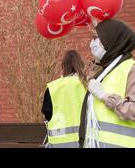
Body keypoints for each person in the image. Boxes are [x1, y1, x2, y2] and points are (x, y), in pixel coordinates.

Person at [79, 19, 135, 148]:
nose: (92, 43)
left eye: (97, 37)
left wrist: (105, 97)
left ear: (111, 40)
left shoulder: (131, 69)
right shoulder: (105, 70)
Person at [42, 50, 87, 148]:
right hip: (86, 141)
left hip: (59, 142)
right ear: (81, 65)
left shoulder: (53, 87)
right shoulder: (87, 85)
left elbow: (47, 112)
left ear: (63, 66)